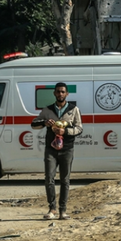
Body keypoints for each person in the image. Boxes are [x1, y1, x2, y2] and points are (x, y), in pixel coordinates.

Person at [31, 82, 83, 220]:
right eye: (58, 92)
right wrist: (44, 123)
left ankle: (63, 210)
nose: (60, 94)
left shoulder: (74, 109)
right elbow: (33, 124)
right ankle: (52, 209)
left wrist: (64, 131)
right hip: (51, 149)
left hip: (67, 149)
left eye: (63, 92)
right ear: (54, 93)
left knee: (65, 180)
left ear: (67, 94)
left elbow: (79, 128)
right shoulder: (47, 110)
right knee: (49, 178)